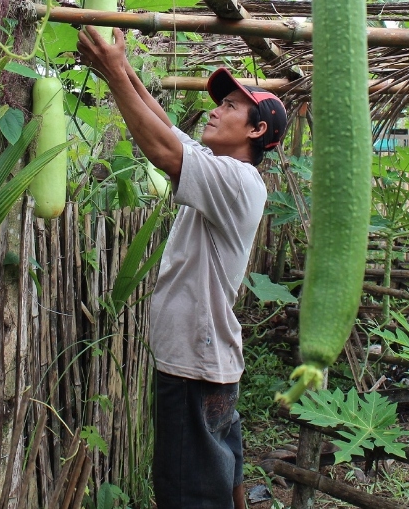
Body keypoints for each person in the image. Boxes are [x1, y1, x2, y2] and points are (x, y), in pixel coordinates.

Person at [76, 26, 288, 508]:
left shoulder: (237, 180)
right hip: (208, 364)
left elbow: (161, 149)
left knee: (188, 494)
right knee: (222, 473)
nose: (214, 110)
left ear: (256, 130)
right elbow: (165, 127)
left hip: (194, 366)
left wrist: (112, 75)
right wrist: (124, 69)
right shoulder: (218, 169)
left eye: (230, 106)